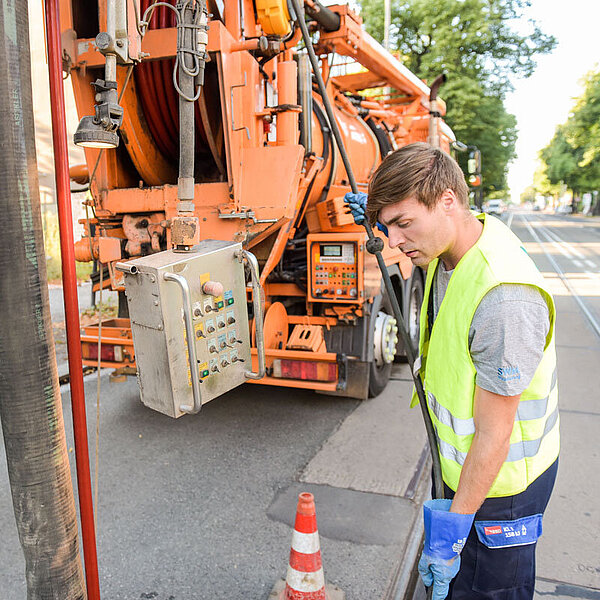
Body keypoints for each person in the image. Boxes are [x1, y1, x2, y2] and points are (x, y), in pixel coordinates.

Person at [345, 142, 560, 600]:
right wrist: (383, 217)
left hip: (500, 493)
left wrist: (452, 533)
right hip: (463, 472)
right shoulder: (452, 246)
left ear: (447, 200)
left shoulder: (506, 299)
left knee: (486, 592)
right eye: (387, 226)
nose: (395, 242)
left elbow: (495, 435)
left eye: (403, 224)